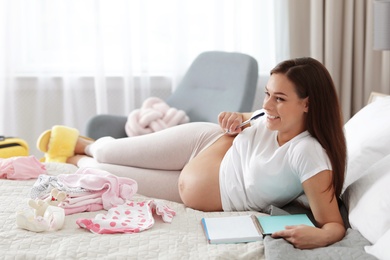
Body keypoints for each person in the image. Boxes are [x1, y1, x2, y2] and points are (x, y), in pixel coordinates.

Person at [42, 57, 346, 249]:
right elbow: (248, 117)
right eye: (267, 93)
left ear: (308, 103)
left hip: (187, 188)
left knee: (104, 174)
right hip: (201, 142)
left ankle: (70, 158)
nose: (267, 105)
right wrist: (233, 117)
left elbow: (332, 223)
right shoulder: (269, 118)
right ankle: (83, 142)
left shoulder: (307, 153)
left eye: (279, 98)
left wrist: (323, 236)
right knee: (108, 151)